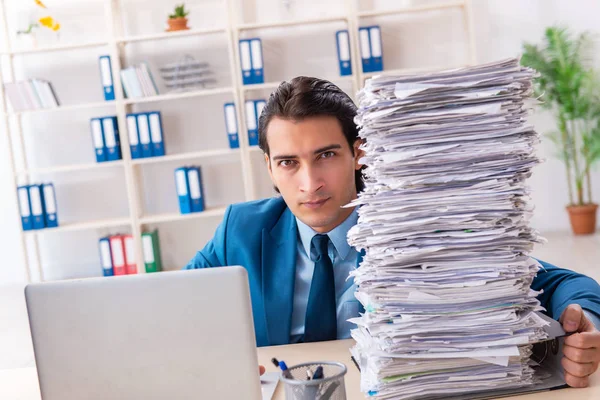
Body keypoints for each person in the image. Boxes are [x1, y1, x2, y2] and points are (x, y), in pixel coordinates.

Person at [185, 76, 600, 387]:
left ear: (359, 153)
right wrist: (212, 358)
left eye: (326, 155)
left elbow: (563, 282)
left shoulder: (414, 221)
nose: (309, 183)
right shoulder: (240, 229)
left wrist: (585, 321)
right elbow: (175, 307)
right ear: (270, 167)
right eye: (289, 162)